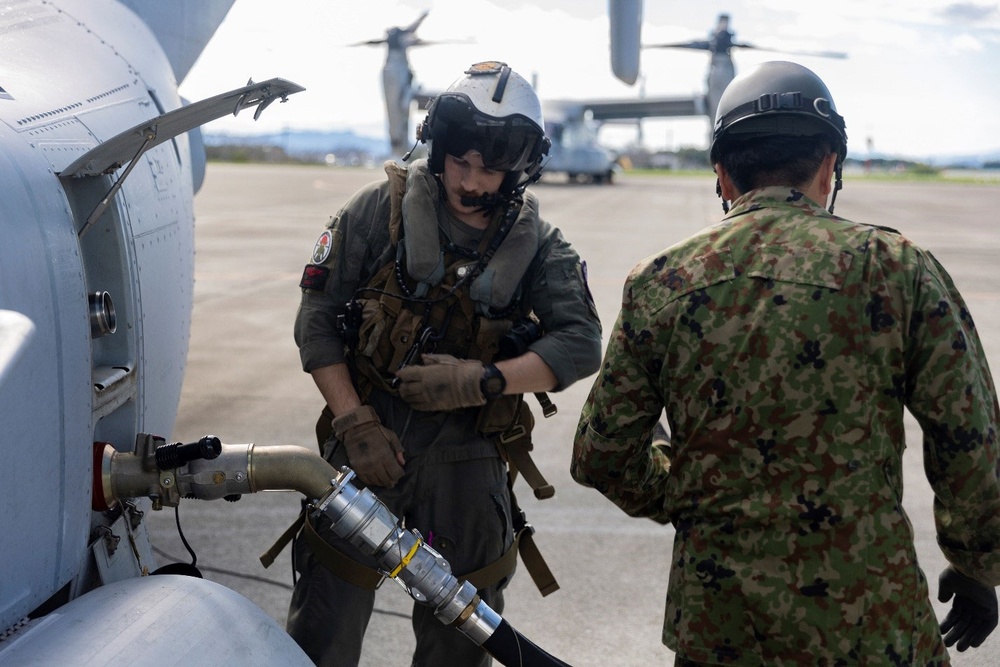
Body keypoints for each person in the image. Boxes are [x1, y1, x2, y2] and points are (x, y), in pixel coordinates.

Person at [571, 60, 1000, 665]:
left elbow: (601, 457)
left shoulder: (660, 283)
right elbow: (971, 439)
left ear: (721, 174)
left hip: (718, 630)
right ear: (830, 167)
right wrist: (977, 564)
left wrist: (686, 486)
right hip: (872, 627)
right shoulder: (897, 268)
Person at [285, 60, 602, 667]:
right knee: (325, 624)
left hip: (470, 459)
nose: (472, 179)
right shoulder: (377, 212)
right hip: (369, 441)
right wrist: (354, 423)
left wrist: (482, 379)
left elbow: (580, 341)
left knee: (460, 643)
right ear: (440, 150)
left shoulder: (540, 246)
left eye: (490, 167)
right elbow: (316, 322)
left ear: (519, 168)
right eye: (461, 160)